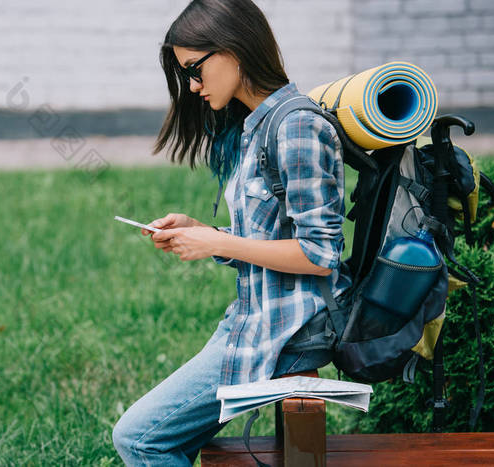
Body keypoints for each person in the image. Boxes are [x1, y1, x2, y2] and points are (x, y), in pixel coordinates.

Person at [112, 0, 352, 465]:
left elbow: (320, 253)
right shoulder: (258, 126)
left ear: (234, 51)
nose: (193, 86)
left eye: (195, 69)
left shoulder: (297, 126)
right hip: (258, 319)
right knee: (156, 438)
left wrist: (217, 243)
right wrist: (204, 231)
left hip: (287, 332)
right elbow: (273, 233)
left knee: (140, 438)